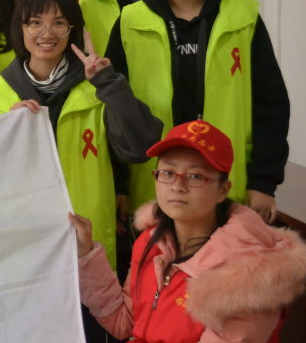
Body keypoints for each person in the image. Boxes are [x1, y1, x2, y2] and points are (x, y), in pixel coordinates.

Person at [105, 0, 290, 221]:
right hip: (153, 186)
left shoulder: (242, 18)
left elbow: (270, 105)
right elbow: (114, 111)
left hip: (227, 185)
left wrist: (264, 182)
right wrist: (118, 185)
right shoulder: (129, 22)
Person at [0, 0, 161, 270]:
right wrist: (8, 129)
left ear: (73, 29)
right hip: (19, 240)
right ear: (20, 28)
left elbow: (139, 148)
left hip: (88, 238)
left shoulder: (98, 88)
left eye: (59, 23)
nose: (47, 33)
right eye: (35, 23)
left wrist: (109, 83)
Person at [70, 120, 306, 343]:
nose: (177, 186)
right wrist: (86, 254)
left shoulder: (249, 276)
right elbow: (125, 323)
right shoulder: (152, 242)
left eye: (195, 176)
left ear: (223, 190)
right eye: (168, 172)